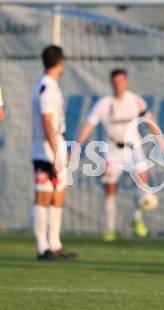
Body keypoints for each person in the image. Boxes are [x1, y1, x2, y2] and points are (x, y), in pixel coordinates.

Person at [75, 69, 162, 241]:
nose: (119, 84)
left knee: (143, 182)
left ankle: (136, 219)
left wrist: (161, 140)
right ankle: (110, 228)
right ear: (111, 83)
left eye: (121, 81)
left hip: (133, 148)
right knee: (110, 188)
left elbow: (149, 120)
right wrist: (77, 145)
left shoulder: (135, 100)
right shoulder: (104, 103)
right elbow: (89, 125)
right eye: (115, 82)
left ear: (126, 82)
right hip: (112, 150)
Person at [31, 45, 76, 260]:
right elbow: (48, 122)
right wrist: (57, 152)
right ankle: (42, 247)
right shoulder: (47, 88)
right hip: (45, 151)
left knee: (58, 196)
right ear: (60, 62)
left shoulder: (50, 86)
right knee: (43, 197)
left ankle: (55, 244)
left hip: (54, 146)